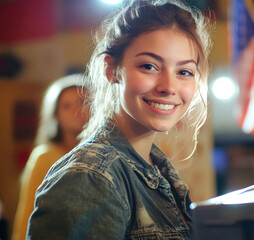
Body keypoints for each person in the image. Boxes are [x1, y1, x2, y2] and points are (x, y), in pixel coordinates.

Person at [27, 0, 212, 239]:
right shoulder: (90, 177)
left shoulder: (159, 170)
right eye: (149, 66)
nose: (169, 87)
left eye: (184, 72)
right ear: (111, 70)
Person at [12, 74, 88, 240]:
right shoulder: (44, 157)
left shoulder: (105, 153)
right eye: (67, 106)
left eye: (82, 102)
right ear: (55, 114)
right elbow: (27, 214)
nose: (77, 111)